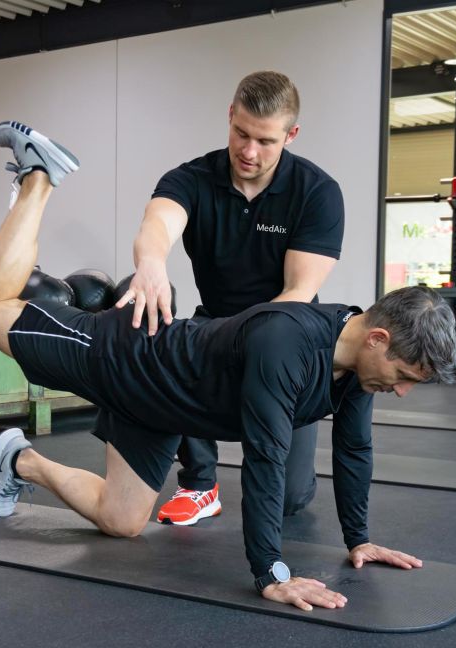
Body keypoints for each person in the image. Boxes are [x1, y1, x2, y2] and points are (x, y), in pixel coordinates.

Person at [0, 121, 456, 611]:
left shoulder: (357, 369)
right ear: (378, 339)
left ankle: (20, 461)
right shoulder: (286, 341)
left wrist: (359, 539)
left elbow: (354, 449)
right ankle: (40, 176)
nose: (401, 391)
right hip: (127, 359)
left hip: (161, 410)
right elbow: (265, 459)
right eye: (404, 377)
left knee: (121, 520)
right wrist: (271, 573)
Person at [115, 71, 345, 525]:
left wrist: (250, 355)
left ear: (291, 135)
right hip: (216, 324)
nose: (249, 151)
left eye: (265, 140)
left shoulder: (317, 192)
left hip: (288, 335)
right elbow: (159, 222)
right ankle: (200, 483)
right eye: (241, 133)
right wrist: (151, 262)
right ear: (230, 115)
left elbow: (297, 293)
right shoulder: (192, 178)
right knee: (165, 337)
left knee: (288, 499)